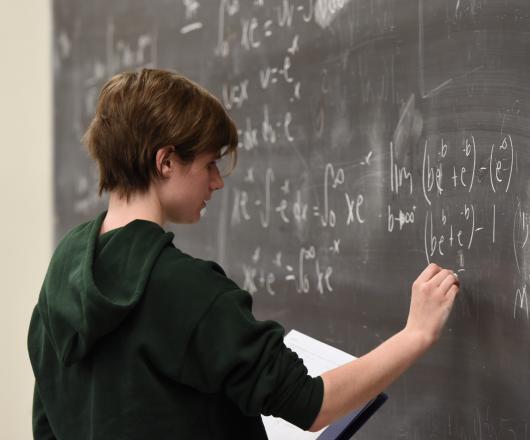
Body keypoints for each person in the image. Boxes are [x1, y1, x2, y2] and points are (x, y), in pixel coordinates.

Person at [27, 68, 460, 439]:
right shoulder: (187, 289)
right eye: (209, 164)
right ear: (165, 162)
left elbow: (46, 425)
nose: (216, 182)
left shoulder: (64, 274)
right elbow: (311, 405)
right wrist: (415, 334)